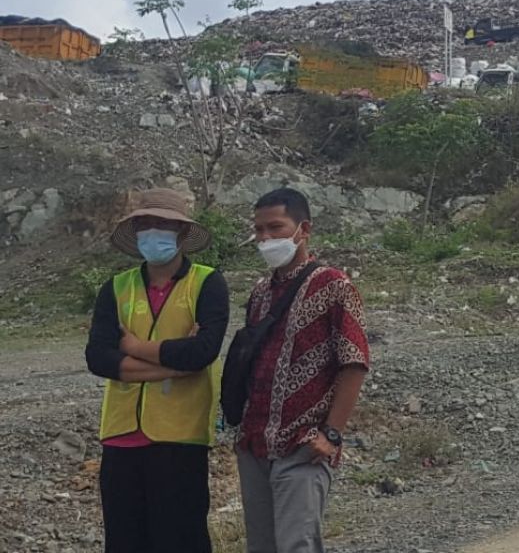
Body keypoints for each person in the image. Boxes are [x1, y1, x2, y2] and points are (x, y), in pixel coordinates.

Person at [84, 188, 230, 553]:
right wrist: (173, 367)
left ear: (181, 232)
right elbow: (98, 358)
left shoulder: (208, 283)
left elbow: (202, 352)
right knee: (124, 540)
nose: (153, 232)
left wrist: (132, 349)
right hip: (120, 436)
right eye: (145, 224)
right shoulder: (115, 289)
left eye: (163, 224)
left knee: (180, 538)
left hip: (180, 437)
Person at [236, 187, 370, 553]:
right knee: (260, 546)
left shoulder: (334, 286)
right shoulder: (260, 293)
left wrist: (332, 435)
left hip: (303, 444)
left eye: (275, 228)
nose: (265, 238)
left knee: (297, 544)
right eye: (259, 230)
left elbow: (354, 361)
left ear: (304, 228)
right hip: (255, 443)